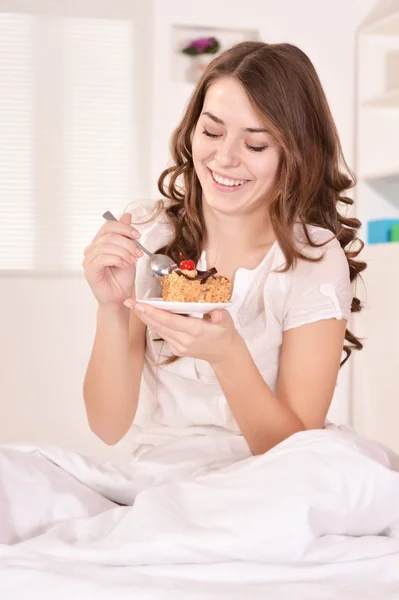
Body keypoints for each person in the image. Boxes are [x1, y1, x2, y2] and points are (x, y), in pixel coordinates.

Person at [1, 42, 398, 564]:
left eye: (255, 145)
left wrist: (228, 354)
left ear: (295, 154)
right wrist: (112, 307)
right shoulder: (151, 233)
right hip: (157, 477)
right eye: (212, 132)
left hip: (268, 481)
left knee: (312, 476)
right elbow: (108, 425)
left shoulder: (312, 257)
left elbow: (297, 450)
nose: (225, 158)